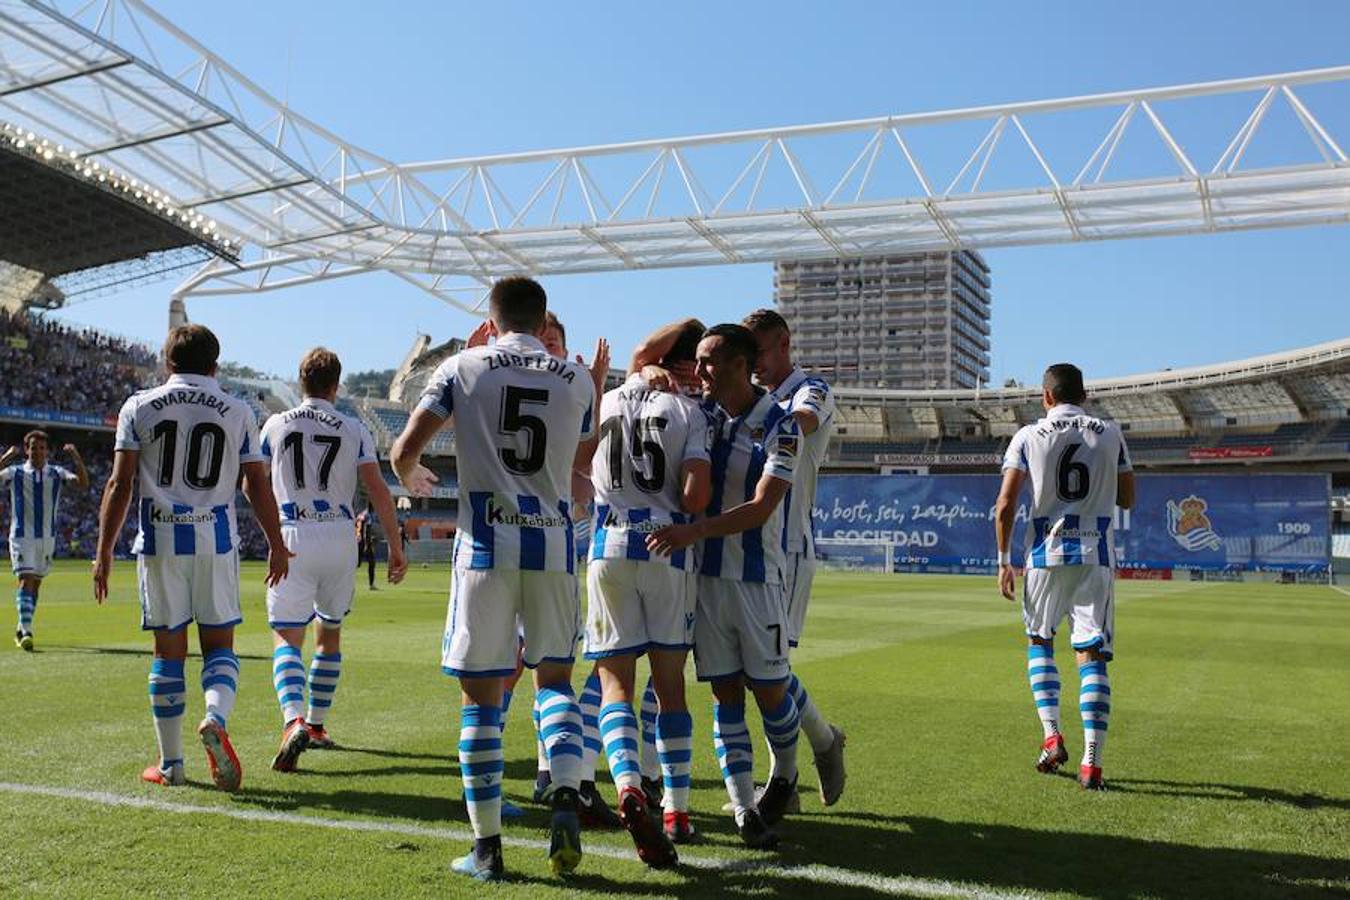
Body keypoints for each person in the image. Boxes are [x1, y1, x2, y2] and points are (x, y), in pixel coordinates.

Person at [391, 276, 599, 881]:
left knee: (481, 700)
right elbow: (581, 462)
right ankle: (564, 794)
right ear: (541, 320)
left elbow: (407, 447)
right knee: (555, 681)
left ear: (492, 315)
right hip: (554, 546)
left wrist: (411, 475)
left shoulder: (463, 365)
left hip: (484, 545)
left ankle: (487, 849)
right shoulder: (578, 379)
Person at [93, 324, 289, 791]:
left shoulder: (138, 406)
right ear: (215, 365)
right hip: (215, 541)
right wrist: (278, 545)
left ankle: (171, 765)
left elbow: (120, 485)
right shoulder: (238, 410)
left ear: (168, 363)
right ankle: (215, 717)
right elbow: (255, 484)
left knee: (168, 654)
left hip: (161, 542)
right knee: (220, 647)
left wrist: (102, 551)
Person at [646, 323, 802, 849]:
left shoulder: (781, 426)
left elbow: (762, 508)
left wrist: (695, 530)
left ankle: (785, 772)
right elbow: (645, 369)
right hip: (706, 584)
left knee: (773, 694)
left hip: (759, 581)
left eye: (710, 361)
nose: (700, 370)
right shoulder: (700, 416)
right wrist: (649, 370)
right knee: (725, 695)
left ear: (742, 364)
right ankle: (744, 809)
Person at [465, 312, 619, 828]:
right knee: (521, 669)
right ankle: (551, 778)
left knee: (539, 669)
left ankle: (546, 775)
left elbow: (583, 463)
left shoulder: (565, 388)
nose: (550, 348)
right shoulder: (557, 387)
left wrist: (593, 392)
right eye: (546, 340)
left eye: (558, 342)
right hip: (544, 536)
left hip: (553, 537)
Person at [586, 317, 711, 862]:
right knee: (669, 689)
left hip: (608, 548)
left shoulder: (608, 400)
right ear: (686, 364)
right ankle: (677, 810)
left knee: (615, 686)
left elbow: (638, 353)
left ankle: (628, 787)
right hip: (665, 550)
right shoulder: (689, 410)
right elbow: (694, 494)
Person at [261, 348, 408, 772]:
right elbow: (378, 488)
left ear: (300, 382)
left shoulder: (274, 425)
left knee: (287, 636)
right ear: (336, 386)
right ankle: (319, 725)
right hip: (341, 534)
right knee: (330, 631)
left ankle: (294, 721)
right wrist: (395, 546)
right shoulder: (354, 427)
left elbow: (253, 477)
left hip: (293, 531)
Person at [994, 363, 1135, 791]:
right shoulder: (1110, 433)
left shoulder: (1028, 436)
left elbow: (1004, 506)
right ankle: (1092, 762)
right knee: (1091, 655)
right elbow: (1127, 497)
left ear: (1046, 397)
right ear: (1085, 395)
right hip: (1095, 554)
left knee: (1040, 640)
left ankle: (1052, 735)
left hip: (1043, 556)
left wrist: (1003, 560)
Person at [742, 308, 847, 810]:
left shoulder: (813, 390)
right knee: (750, 669)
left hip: (785, 546)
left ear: (783, 343)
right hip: (743, 542)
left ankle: (803, 763)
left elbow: (799, 425)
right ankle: (812, 751)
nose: (752, 365)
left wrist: (745, 408)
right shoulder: (752, 398)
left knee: (769, 670)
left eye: (757, 353)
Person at [0, 431, 88, 650]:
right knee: (26, 580)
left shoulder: (56, 473)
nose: (37, 452)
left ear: (47, 451)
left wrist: (76, 457)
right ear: (27, 449)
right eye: (33, 447)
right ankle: (28, 631)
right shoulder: (15, 472)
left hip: (47, 538)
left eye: (41, 448)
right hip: (22, 536)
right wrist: (6, 457)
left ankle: (21, 628)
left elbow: (83, 483)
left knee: (35, 585)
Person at [356, 509, 378, 590]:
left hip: (361, 541)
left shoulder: (361, 514)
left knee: (371, 562)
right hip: (363, 542)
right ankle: (371, 584)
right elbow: (364, 530)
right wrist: (366, 543)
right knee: (357, 564)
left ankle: (372, 584)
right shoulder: (366, 515)